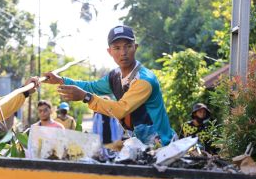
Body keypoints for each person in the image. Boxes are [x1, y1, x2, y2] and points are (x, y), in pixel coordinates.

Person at [41, 25, 176, 146]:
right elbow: (91, 86)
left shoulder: (145, 80)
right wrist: (61, 80)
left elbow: (120, 109)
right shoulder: (114, 76)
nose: (123, 52)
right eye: (117, 48)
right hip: (139, 145)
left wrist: (86, 97)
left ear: (135, 47)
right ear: (109, 51)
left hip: (162, 145)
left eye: (128, 46)